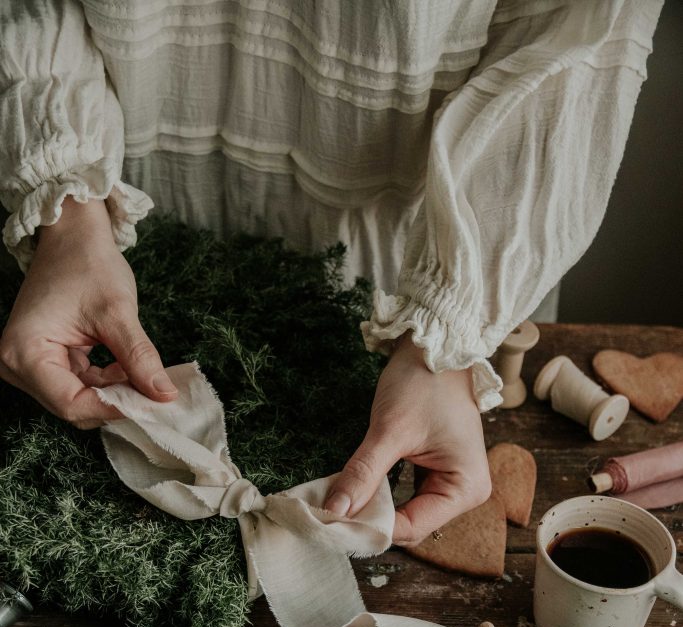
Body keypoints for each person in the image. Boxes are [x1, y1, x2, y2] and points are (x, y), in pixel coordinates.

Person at [0, 0, 663, 544]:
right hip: (126, 226)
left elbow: (572, 37)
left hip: (412, 256)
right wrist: (70, 217)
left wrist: (443, 344)